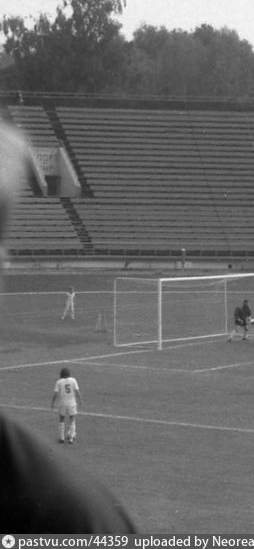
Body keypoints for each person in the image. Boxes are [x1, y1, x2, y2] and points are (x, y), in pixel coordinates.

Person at [0, 123, 138, 532]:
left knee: (64, 423)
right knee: (70, 423)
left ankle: (68, 436)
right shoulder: (75, 517)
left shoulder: (68, 514)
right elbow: (75, 390)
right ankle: (70, 437)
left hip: (60, 412)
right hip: (70, 408)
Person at [51, 367, 82, 443]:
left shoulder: (59, 382)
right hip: (72, 403)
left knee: (61, 419)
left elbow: (55, 394)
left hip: (62, 403)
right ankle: (71, 438)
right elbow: (77, 391)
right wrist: (80, 400)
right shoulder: (73, 380)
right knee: (72, 419)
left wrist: (52, 402)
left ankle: (61, 438)